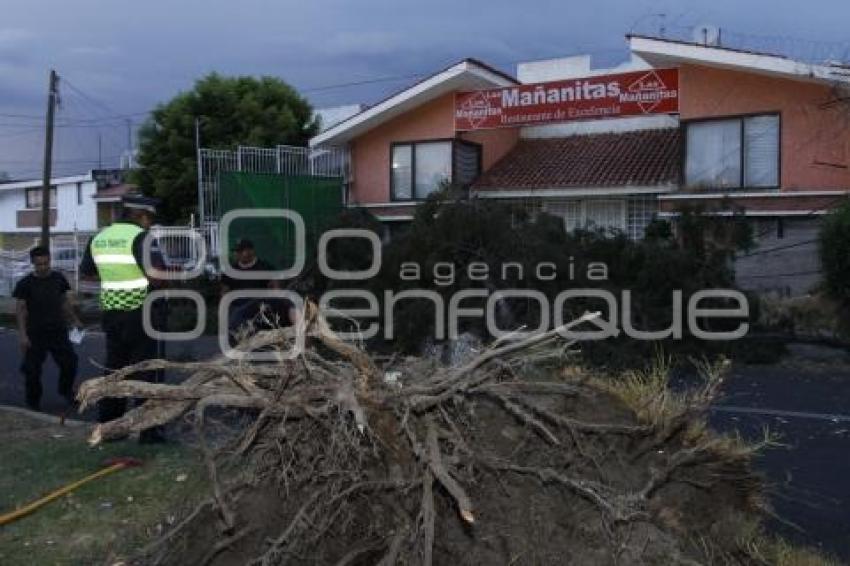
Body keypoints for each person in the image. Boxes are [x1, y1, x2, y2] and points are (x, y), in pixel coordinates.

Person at [79, 194, 166, 443]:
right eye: (150, 218)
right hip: (142, 312)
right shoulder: (141, 238)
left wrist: (116, 282)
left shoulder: (99, 237)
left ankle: (111, 427)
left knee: (115, 370)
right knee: (147, 371)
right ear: (141, 215)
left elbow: (87, 273)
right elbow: (158, 276)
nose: (151, 224)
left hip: (113, 312)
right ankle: (149, 431)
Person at [13, 246, 81, 412]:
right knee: (33, 370)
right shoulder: (25, 284)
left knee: (70, 362)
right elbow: (21, 310)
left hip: (58, 331)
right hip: (35, 333)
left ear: (50, 260)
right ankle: (33, 401)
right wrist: (23, 335)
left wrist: (75, 320)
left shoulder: (58, 279)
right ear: (33, 263)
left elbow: (64, 301)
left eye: (45, 263)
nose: (43, 267)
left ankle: (65, 390)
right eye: (39, 264)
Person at [220, 238, 297, 338]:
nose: (238, 254)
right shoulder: (230, 271)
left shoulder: (265, 267)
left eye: (241, 251)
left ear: (251, 251)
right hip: (238, 307)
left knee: (287, 303)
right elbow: (224, 294)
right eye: (237, 251)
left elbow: (276, 289)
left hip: (259, 305)